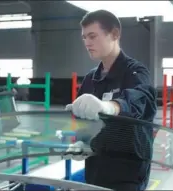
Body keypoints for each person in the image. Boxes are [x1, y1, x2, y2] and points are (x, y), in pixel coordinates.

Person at [65, 10, 157, 191]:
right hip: (95, 168)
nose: (87, 43)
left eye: (92, 36)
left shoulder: (135, 72)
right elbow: (85, 121)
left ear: (114, 34)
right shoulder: (91, 78)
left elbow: (140, 101)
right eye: (84, 38)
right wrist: (82, 142)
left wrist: (110, 106)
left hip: (128, 174)